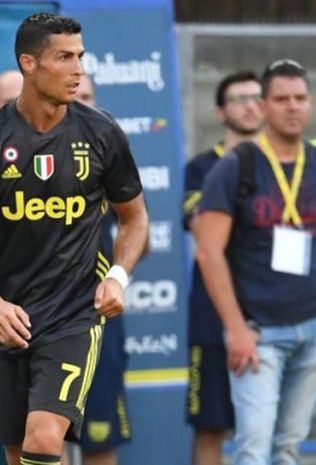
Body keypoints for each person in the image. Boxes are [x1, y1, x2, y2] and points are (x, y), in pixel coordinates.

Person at [0, 13, 149, 465]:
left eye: (80, 56)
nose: (78, 69)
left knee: (43, 438)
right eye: (64, 57)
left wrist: (116, 277)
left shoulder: (101, 131)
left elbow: (134, 219)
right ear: (28, 63)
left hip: (75, 314)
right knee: (18, 453)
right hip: (9, 317)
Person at [196, 59, 316, 465]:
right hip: (258, 332)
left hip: (311, 327)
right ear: (263, 106)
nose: (293, 107)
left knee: (289, 446)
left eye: (300, 98)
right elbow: (208, 251)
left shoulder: (315, 161)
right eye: (281, 99)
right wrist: (235, 328)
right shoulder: (236, 166)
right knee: (253, 448)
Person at [182, 71, 263, 465]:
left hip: (273, 310)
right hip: (212, 316)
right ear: (220, 111)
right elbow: (204, 231)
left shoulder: (285, 164)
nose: (251, 105)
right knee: (210, 425)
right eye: (239, 98)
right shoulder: (201, 167)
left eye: (257, 97)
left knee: (271, 423)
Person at [69, 73, 133, 465]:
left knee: (100, 438)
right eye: (75, 95)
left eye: (89, 96)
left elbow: (137, 225)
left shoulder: (110, 154)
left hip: (99, 317)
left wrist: (116, 276)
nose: (81, 104)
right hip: (38, 317)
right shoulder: (22, 154)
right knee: (42, 440)